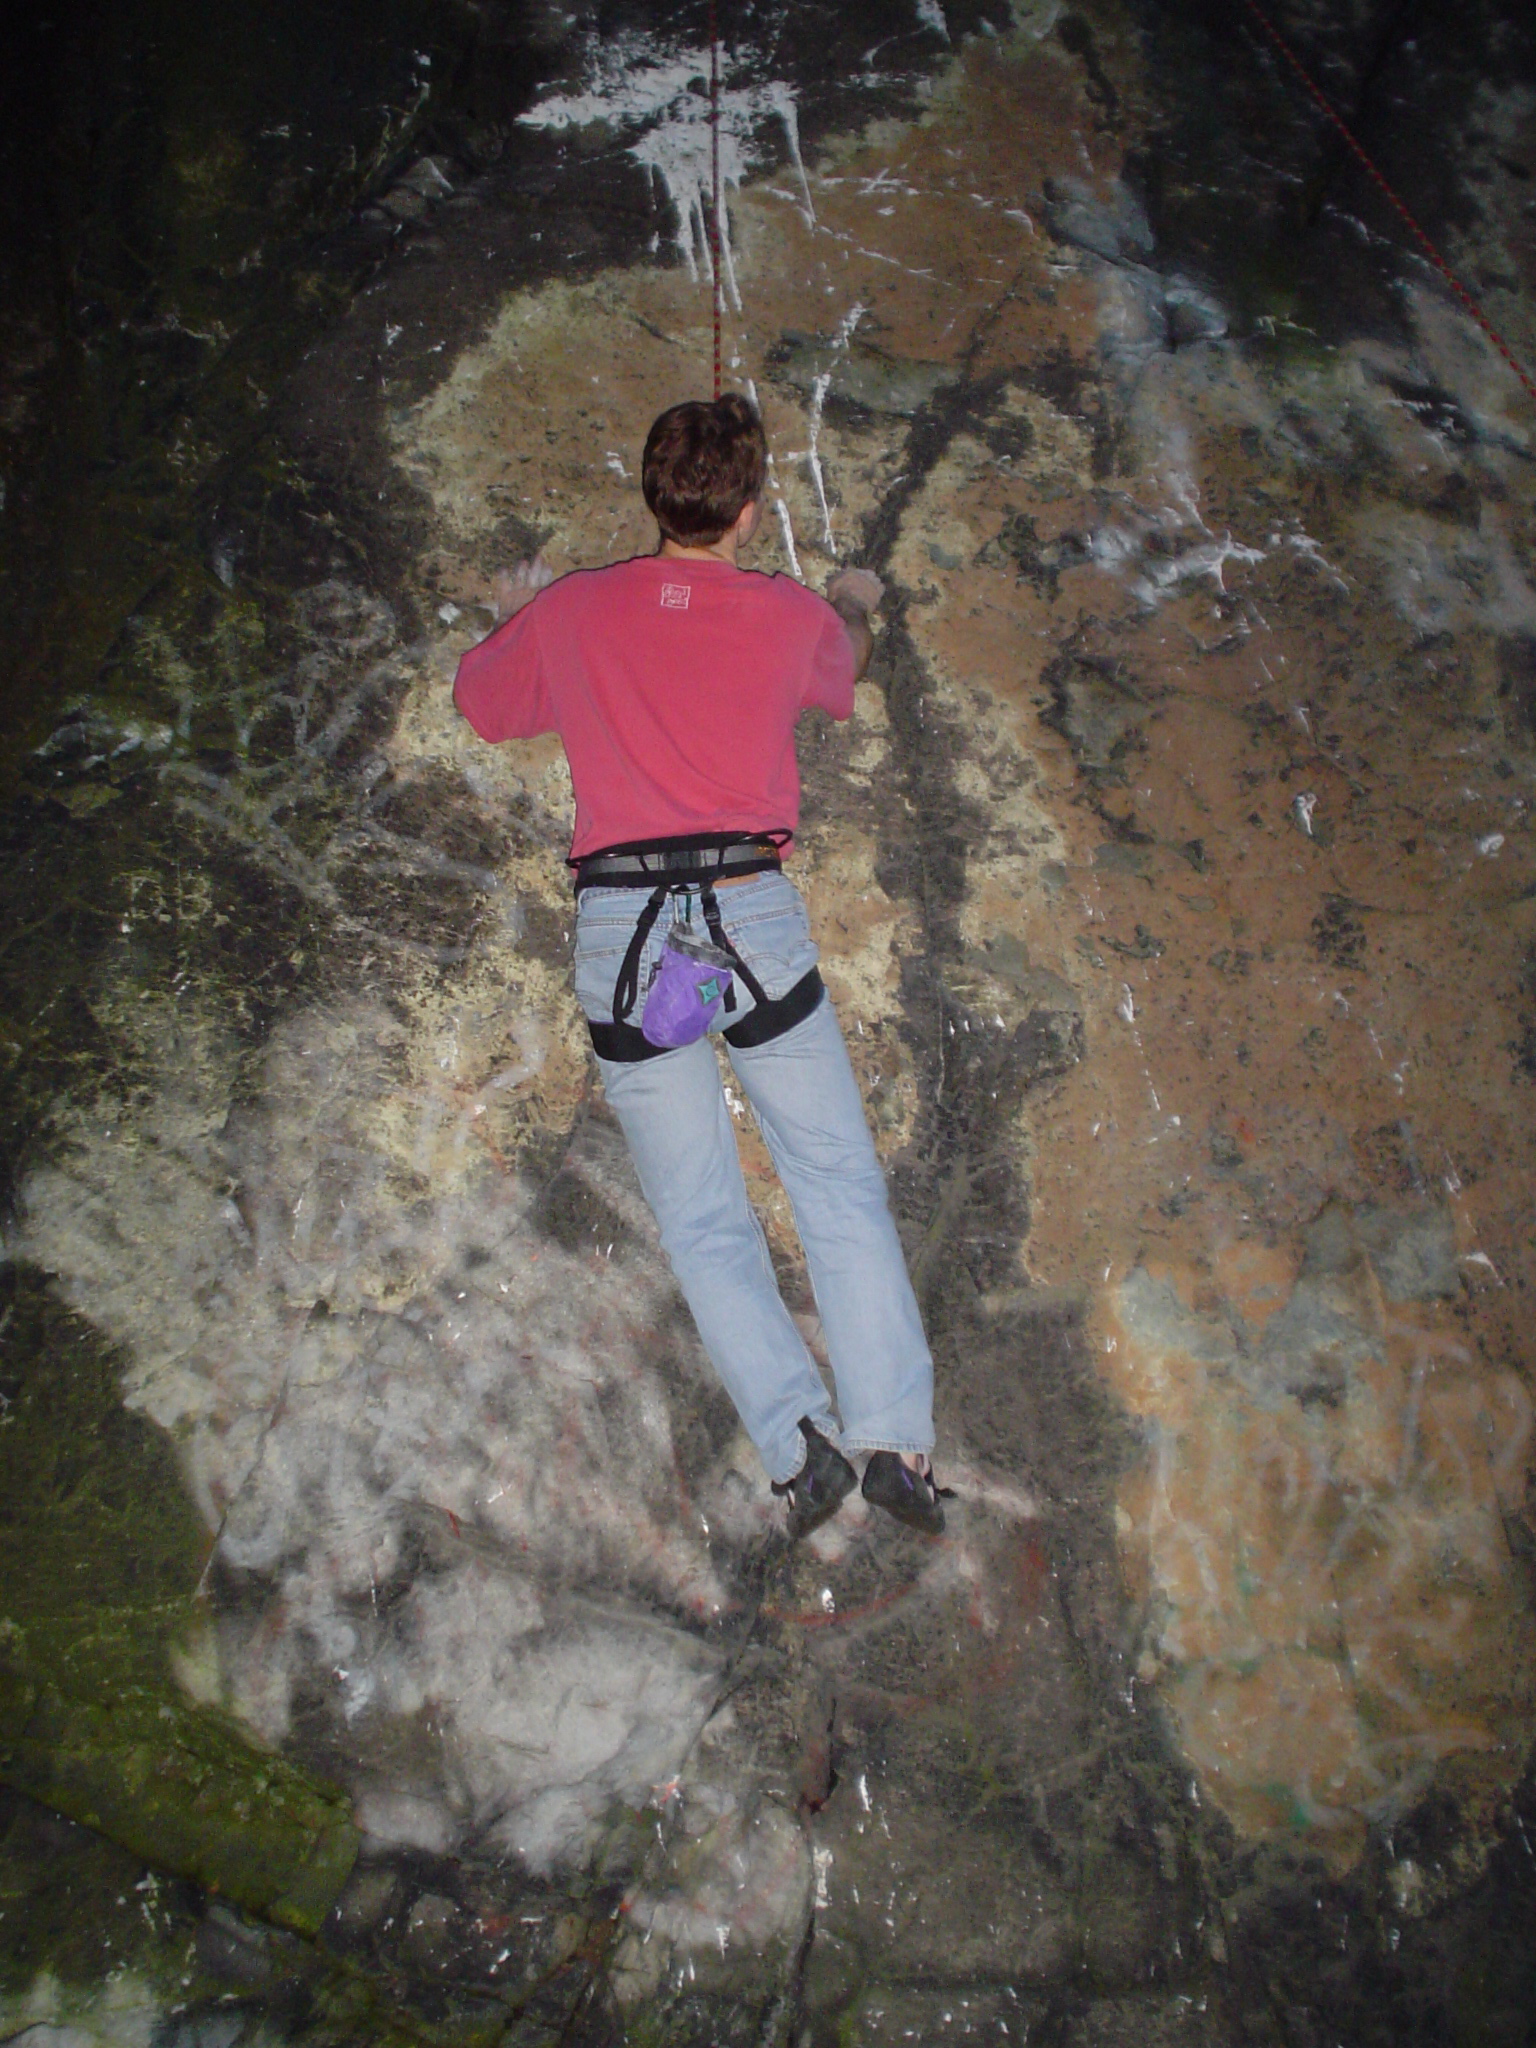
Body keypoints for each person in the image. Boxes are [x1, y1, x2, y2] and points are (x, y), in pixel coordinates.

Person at [453, 392, 944, 1539]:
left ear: (653, 496)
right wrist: (853, 598)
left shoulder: (575, 610)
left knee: (699, 1211)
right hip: (745, 917)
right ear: (750, 510)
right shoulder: (785, 614)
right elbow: (846, 666)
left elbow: (484, 704)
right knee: (833, 1177)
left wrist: (517, 616)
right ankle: (896, 1441)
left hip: (625, 936)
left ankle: (797, 1448)